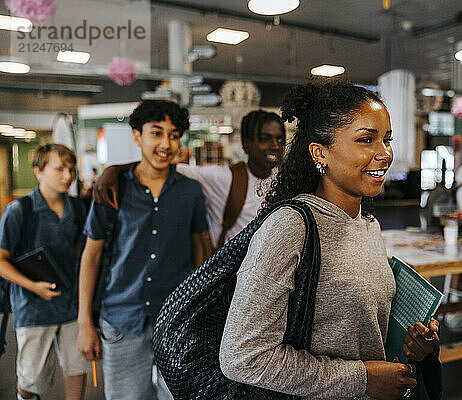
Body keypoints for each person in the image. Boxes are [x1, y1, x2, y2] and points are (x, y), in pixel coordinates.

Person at [219, 79, 441, 400]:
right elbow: (242, 357)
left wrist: (413, 345)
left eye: (387, 139)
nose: (386, 154)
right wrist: (362, 379)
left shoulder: (368, 224)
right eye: (367, 140)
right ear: (319, 152)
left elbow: (365, 328)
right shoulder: (290, 226)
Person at [76, 100, 211, 400]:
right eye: (156, 133)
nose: (165, 144)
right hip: (122, 318)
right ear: (137, 136)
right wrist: (84, 322)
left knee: (177, 395)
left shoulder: (190, 193)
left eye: (174, 135)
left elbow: (202, 251)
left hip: (176, 320)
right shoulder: (112, 190)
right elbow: (91, 255)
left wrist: (201, 312)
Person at [94, 110, 286, 249]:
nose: (275, 145)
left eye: (280, 139)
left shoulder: (285, 180)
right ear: (246, 144)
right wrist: (114, 169)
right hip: (235, 274)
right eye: (265, 138)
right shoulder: (225, 178)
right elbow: (167, 166)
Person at [0, 144, 88, 400]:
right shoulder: (20, 211)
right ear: (38, 172)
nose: (67, 175)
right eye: (59, 169)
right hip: (33, 307)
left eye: (71, 169)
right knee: (31, 377)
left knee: (76, 366)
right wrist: (32, 285)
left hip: (72, 304)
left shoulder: (78, 208)